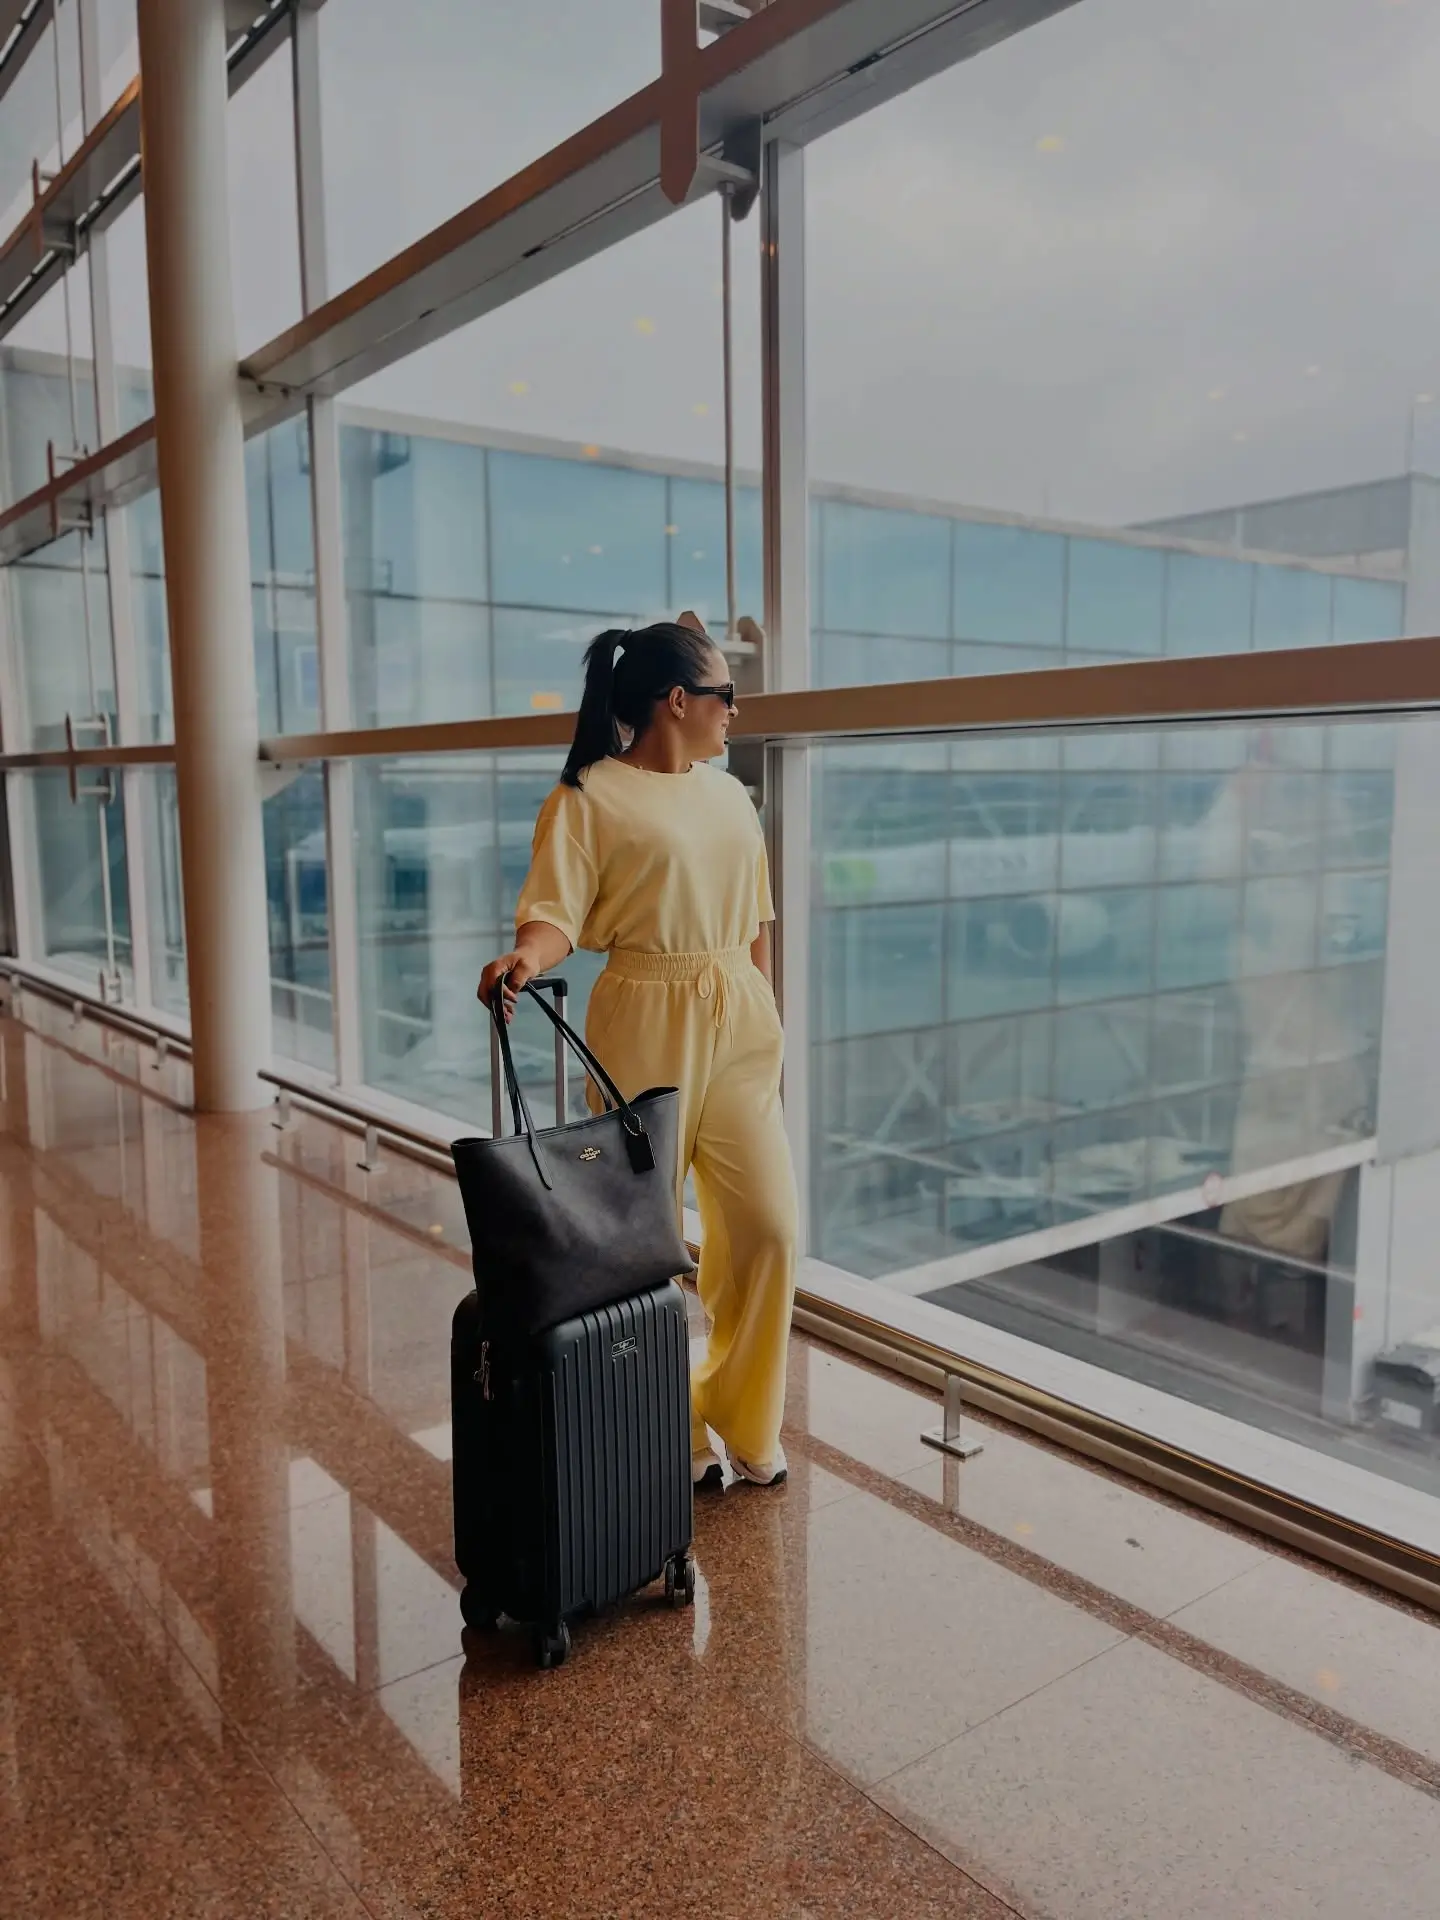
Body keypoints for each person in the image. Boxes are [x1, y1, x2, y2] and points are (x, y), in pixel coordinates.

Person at [478, 616, 797, 1489]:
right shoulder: (587, 797)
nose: (736, 710)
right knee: (640, 1245)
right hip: (643, 1018)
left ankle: (741, 1412)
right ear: (678, 700)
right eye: (726, 695)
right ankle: (675, 1428)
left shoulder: (731, 795)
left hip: (738, 1013)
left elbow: (759, 920)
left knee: (768, 1230)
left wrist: (769, 1025)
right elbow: (554, 916)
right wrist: (525, 961)